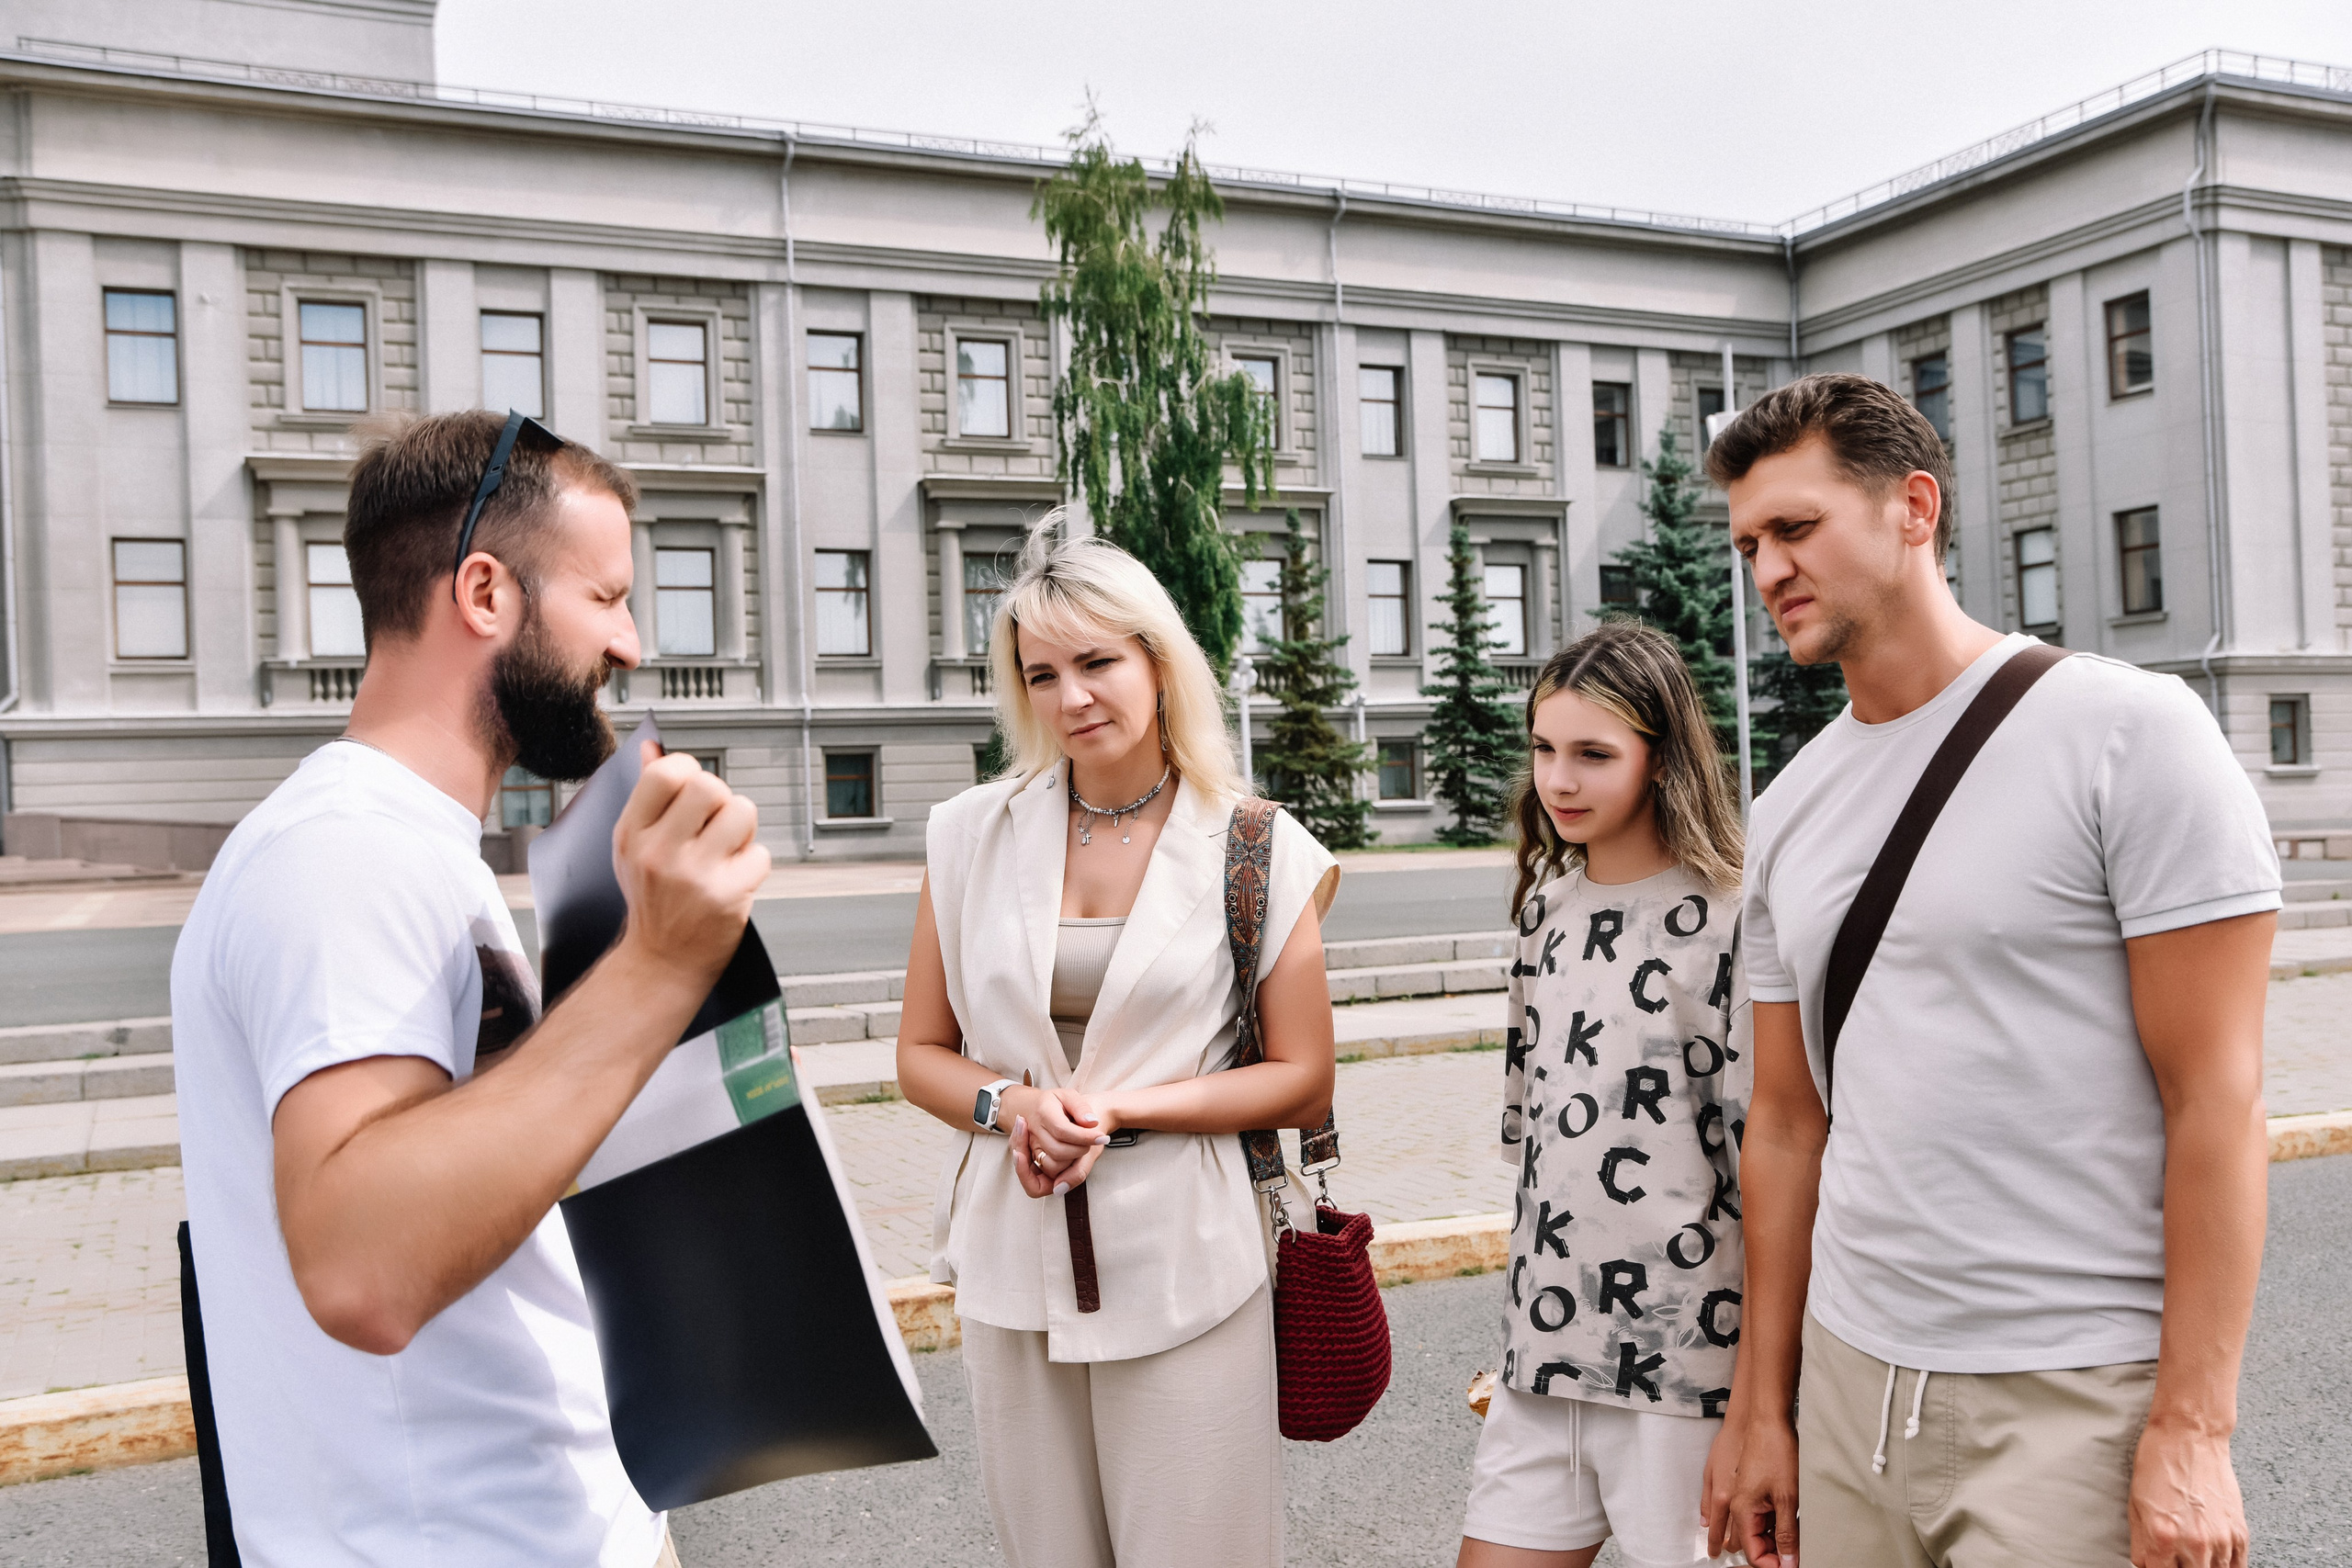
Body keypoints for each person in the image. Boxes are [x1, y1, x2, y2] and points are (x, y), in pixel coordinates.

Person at [173, 411, 772, 1567]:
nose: (633, 645)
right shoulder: (343, 854)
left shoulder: (411, 843)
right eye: (605, 599)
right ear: (486, 594)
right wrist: (658, 964)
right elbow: (362, 1267)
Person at [1710, 374, 2278, 1568]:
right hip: (1853, 1384)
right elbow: (1784, 1120)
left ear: (1914, 507)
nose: (1768, 570)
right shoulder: (1790, 807)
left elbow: (2216, 1102)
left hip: (2071, 1397)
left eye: (1797, 528)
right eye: (1751, 542)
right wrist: (1762, 1405)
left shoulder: (2131, 735)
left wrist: (2192, 1422)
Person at [895, 519, 1340, 1568]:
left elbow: (1301, 1074)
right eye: (1040, 674)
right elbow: (920, 1053)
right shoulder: (967, 833)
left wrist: (1118, 1111)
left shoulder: (1255, 843)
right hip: (1014, 1254)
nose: (1072, 698)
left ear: (1157, 659)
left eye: (1097, 662)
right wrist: (1011, 1105)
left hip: (1189, 1257)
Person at [1458, 622, 1750, 1568]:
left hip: (1689, 1374)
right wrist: (1519, 1341)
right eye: (1544, 749)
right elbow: (1544, 1161)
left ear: (1661, 761)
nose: (1559, 781)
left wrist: (1767, 1396)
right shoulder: (1543, 909)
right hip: (1543, 1367)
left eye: (1593, 754)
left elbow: (1770, 1168)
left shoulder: (1732, 921)